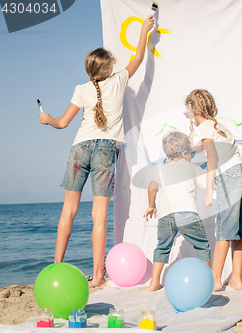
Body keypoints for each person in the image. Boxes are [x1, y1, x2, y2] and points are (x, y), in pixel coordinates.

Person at [39, 15, 155, 287]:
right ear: (108, 68)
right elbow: (139, 58)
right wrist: (144, 32)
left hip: (79, 148)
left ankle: (57, 268)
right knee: (99, 215)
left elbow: (62, 123)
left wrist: (48, 120)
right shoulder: (119, 82)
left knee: (68, 211)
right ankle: (99, 276)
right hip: (104, 151)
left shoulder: (80, 89)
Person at [185, 89, 242, 291]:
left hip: (230, 175)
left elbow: (212, 156)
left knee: (224, 229)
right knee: (237, 231)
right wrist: (193, 149)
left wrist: (208, 188)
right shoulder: (217, 125)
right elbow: (210, 146)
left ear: (192, 110)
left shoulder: (204, 127)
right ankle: (236, 279)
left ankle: (215, 280)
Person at [143, 131, 211, 291]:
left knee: (162, 247)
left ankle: (154, 284)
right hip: (187, 212)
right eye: (191, 153)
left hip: (166, 214)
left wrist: (151, 205)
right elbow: (209, 183)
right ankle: (205, 281)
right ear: (185, 153)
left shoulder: (161, 170)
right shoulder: (191, 168)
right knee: (202, 246)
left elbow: (152, 186)